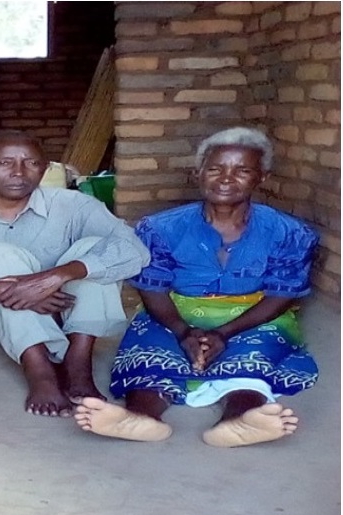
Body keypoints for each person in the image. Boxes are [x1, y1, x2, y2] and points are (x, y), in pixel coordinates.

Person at [75, 127, 320, 447]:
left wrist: (223, 333)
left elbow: (283, 294)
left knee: (251, 356)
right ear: (198, 173)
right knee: (151, 350)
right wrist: (182, 330)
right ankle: (140, 416)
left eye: (242, 170)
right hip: (173, 312)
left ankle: (241, 419)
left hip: (253, 315)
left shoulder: (289, 232)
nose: (226, 178)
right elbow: (153, 287)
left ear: (262, 177)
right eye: (215, 169)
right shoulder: (160, 227)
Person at [0, 130, 150, 418]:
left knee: (93, 249)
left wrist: (57, 277)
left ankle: (78, 363)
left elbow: (134, 251)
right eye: (4, 163)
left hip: (61, 312)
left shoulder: (74, 205)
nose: (18, 172)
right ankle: (39, 370)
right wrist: (7, 291)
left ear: (45, 168)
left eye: (31, 163)